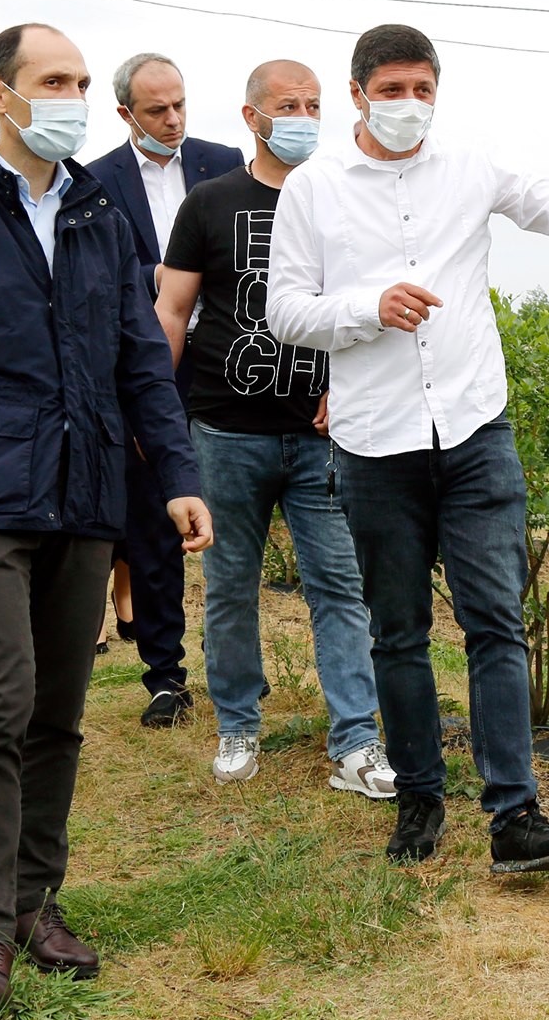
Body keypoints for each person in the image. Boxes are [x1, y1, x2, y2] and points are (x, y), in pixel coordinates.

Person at [0, 22, 211, 1020]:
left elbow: (141, 357)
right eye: (53, 80)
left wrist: (176, 473)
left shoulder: (101, 214)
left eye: (79, 80)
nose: (71, 96)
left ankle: (33, 899)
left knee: (58, 711)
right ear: (0, 94)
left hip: (87, 492)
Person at [266, 24, 549, 874]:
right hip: (375, 440)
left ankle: (516, 815)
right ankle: (420, 801)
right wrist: (367, 308)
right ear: (357, 94)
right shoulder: (314, 188)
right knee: (397, 631)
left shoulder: (469, 166)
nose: (408, 104)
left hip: (473, 428)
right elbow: (285, 310)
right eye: (391, 90)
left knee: (496, 621)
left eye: (421, 89)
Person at [155, 59, 395, 798]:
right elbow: (172, 310)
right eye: (288, 105)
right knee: (230, 584)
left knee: (340, 586)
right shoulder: (209, 202)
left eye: (314, 105)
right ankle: (237, 723)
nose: (304, 118)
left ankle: (356, 740)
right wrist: (155, 413)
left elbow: (372, 306)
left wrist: (349, 386)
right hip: (225, 429)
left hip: (322, 432)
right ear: (252, 116)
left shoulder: (343, 195)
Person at [87, 53, 241, 727]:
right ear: (126, 113)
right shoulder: (95, 180)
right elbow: (103, 273)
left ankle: (239, 667)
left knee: (233, 514)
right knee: (154, 519)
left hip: (228, 362)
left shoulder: (223, 161)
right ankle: (165, 675)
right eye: (157, 110)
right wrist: (167, 275)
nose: (173, 119)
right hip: (150, 366)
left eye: (180, 104)